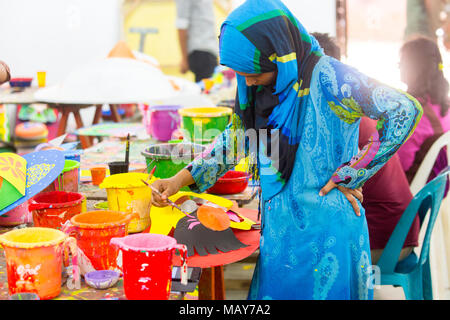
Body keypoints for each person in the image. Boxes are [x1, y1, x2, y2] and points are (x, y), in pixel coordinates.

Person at [153, 0, 423, 300]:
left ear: (278, 53)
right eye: (240, 72)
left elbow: (404, 110)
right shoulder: (261, 90)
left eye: (254, 71)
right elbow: (234, 140)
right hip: (280, 240)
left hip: (326, 241)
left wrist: (354, 172)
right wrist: (178, 180)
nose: (247, 80)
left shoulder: (332, 79)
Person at [312, 33, 420, 265]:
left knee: (303, 255)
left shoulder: (344, 122)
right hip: (398, 233)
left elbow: (322, 189)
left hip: (387, 242)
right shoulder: (352, 112)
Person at [397, 36, 450, 187]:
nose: (399, 67)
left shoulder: (412, 112)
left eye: (402, 63)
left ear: (415, 67)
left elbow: (401, 164)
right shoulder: (445, 105)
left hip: (409, 194)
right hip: (437, 192)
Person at [175, 0, 219, 82]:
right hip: (200, 51)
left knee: (212, 89)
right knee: (206, 91)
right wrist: (184, 58)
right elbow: (181, 25)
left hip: (209, 51)